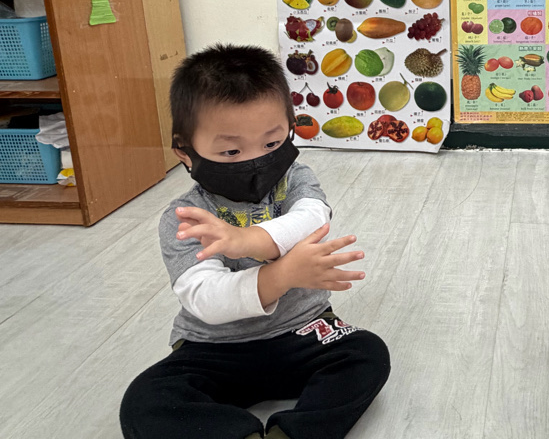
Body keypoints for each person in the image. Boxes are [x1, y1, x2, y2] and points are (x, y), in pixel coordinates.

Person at [120, 45, 390, 439]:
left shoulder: (295, 179)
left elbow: (313, 216)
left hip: (304, 333)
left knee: (367, 354)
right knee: (146, 400)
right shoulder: (186, 217)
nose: (256, 160)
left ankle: (291, 434)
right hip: (215, 350)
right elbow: (206, 299)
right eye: (231, 150)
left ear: (290, 128)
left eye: (272, 143)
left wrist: (248, 240)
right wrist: (281, 276)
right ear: (185, 152)